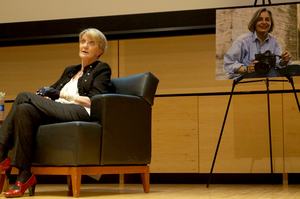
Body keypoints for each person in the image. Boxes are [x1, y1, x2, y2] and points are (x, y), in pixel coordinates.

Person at [0, 28, 113, 197]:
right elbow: (52, 93)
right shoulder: (70, 70)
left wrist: (60, 94)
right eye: (83, 41)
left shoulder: (102, 69)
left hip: (81, 111)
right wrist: (46, 98)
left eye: (91, 43)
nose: (85, 46)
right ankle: (24, 176)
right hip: (60, 110)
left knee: (23, 96)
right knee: (24, 109)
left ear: (100, 51)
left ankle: (1, 153)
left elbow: (94, 101)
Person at [223, 8, 292, 79]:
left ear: (271, 23)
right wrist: (247, 69)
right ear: (254, 22)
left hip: (266, 76)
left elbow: (277, 63)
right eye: (260, 19)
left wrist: (284, 60)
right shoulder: (243, 40)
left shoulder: (273, 42)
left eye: (267, 20)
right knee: (272, 74)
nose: (264, 22)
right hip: (244, 79)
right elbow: (228, 64)